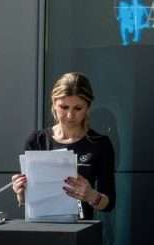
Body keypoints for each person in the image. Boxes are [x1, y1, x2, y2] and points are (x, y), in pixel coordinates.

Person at [11, 72, 116, 219]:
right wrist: (20, 192)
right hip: (40, 227)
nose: (70, 115)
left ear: (88, 107)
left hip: (80, 228)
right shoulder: (37, 140)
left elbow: (109, 203)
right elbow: (25, 201)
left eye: (78, 108)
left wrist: (91, 195)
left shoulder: (100, 144)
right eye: (64, 107)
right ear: (54, 103)